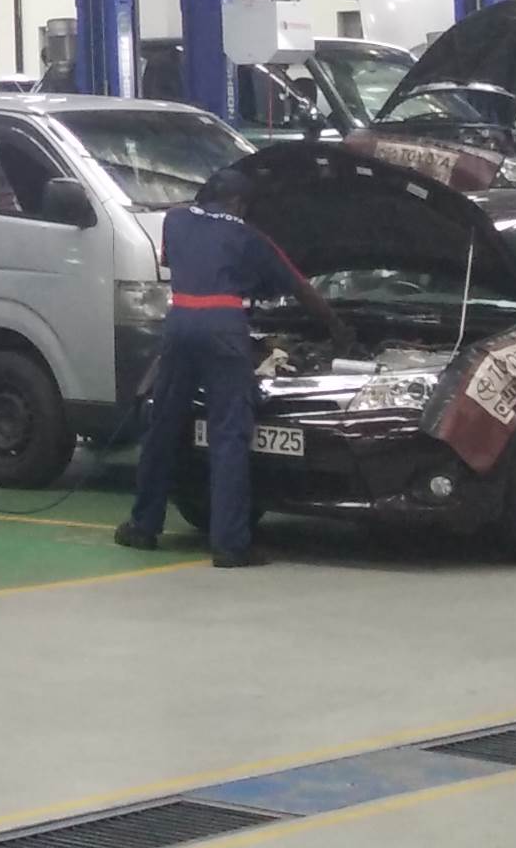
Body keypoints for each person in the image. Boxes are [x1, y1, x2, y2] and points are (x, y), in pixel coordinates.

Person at [115, 170, 344, 568]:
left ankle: (143, 526)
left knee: (162, 426)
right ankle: (229, 545)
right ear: (239, 204)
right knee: (229, 434)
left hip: (179, 324)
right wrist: (337, 327)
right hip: (223, 329)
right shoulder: (250, 237)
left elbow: (186, 263)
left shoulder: (175, 220)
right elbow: (302, 289)